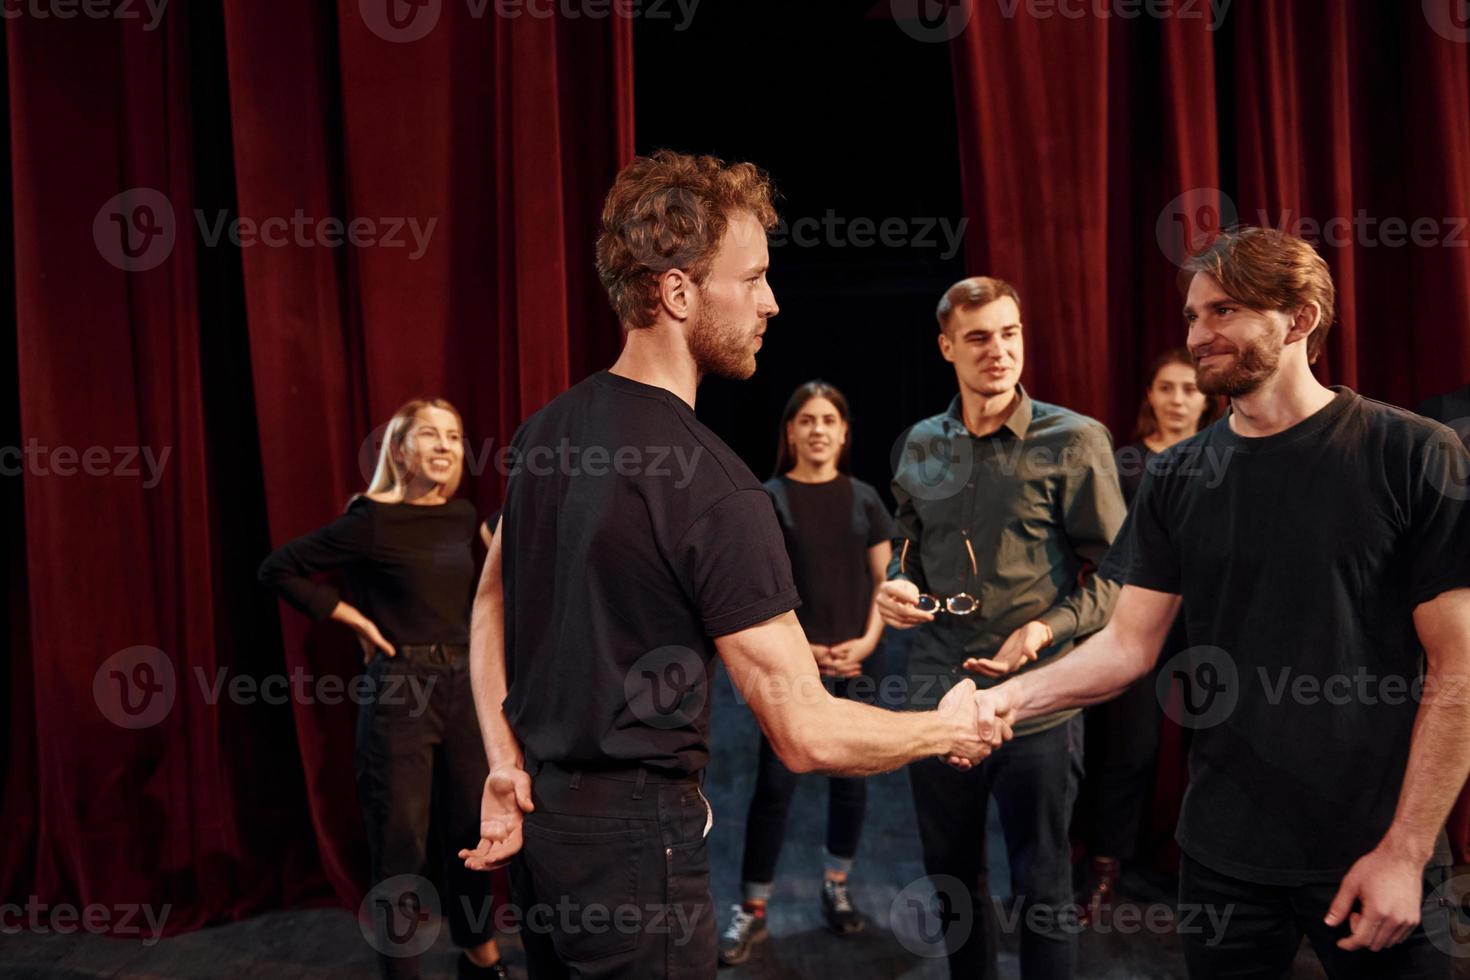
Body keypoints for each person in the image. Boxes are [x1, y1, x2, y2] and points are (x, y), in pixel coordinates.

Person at [455, 150, 1011, 980]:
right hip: (635, 857)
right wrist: (951, 727)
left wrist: (504, 762)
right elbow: (806, 732)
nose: (772, 302)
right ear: (679, 293)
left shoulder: (544, 432)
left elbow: (488, 605)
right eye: (752, 279)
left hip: (545, 838)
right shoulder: (718, 490)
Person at [983, 226, 1470, 978]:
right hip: (1222, 859)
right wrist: (1004, 700)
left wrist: (1406, 851)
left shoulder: (1413, 453)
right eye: (1191, 315)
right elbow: (1126, 647)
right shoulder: (1178, 477)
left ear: (1300, 319)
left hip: (1379, 848)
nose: (1198, 334)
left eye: (1223, 312)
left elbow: (1459, 666)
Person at [876, 275, 1128, 980]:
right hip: (936, 693)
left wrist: (1046, 630)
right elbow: (906, 548)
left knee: (1042, 887)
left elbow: (1116, 577)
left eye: (1010, 333)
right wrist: (897, 589)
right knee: (952, 882)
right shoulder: (921, 444)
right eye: (980, 337)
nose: (998, 351)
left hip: (1036, 702)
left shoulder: (1075, 440)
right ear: (946, 346)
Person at [257, 398, 508, 980]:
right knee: (401, 844)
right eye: (430, 435)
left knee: (473, 835)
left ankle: (481, 957)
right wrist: (351, 618)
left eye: (454, 435)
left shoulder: (461, 515)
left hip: (465, 689)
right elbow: (279, 567)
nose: (446, 446)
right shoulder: (369, 518)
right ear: (400, 449)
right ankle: (402, 974)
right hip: (401, 692)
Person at [717, 380, 897, 965]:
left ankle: (836, 886)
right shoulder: (766, 499)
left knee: (852, 783)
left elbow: (883, 583)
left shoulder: (865, 498)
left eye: (830, 420)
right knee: (775, 786)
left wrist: (867, 642)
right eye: (807, 420)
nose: (818, 429)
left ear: (844, 433)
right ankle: (754, 908)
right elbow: (760, 592)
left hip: (858, 660)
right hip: (793, 668)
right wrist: (805, 653)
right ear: (790, 431)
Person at [1074, 348, 1222, 922]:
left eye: (1189, 388)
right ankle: (1105, 868)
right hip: (1135, 624)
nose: (1178, 399)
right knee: (1129, 751)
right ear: (1151, 397)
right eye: (1167, 388)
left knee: (1211, 749)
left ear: (1205, 397)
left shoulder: (1226, 459)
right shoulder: (1125, 463)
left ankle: (1207, 873)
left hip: (1208, 630)